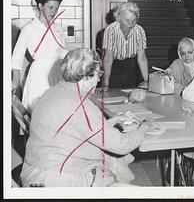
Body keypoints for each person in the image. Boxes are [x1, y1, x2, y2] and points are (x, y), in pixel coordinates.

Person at [20, 48, 153, 187]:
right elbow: (122, 145)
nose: (99, 79)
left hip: (34, 174)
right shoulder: (81, 106)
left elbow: (74, 128)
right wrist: (144, 127)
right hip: (59, 182)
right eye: (99, 74)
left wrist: (111, 122)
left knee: (110, 162)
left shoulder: (50, 93)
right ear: (87, 76)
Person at [11, 0, 68, 113]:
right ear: (40, 6)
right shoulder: (29, 29)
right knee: (39, 112)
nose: (54, 11)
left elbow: (63, 53)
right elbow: (17, 57)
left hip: (57, 73)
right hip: (39, 75)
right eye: (50, 7)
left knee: (56, 111)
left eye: (56, 8)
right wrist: (15, 81)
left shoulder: (58, 28)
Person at [102, 2, 149, 89]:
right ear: (118, 18)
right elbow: (108, 59)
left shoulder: (140, 31)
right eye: (127, 20)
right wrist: (106, 84)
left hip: (131, 65)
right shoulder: (110, 30)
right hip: (114, 66)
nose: (130, 24)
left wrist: (146, 81)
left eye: (133, 21)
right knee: (113, 95)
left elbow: (142, 58)